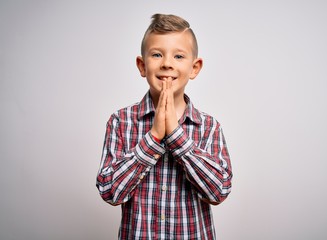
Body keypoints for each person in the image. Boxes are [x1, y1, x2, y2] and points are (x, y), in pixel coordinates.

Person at [96, 13, 233, 240]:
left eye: (179, 56)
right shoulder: (121, 121)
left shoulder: (209, 127)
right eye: (157, 54)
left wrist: (176, 136)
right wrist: (154, 136)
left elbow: (219, 191)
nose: (167, 63)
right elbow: (110, 192)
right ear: (142, 65)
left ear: (194, 67)